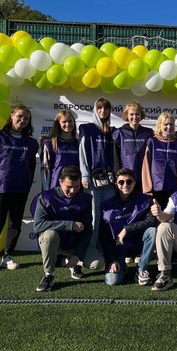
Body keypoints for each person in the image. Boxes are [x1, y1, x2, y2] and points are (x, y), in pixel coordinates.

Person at [0, 104, 39, 274]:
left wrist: (26, 182)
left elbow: (31, 166)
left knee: (15, 223)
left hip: (20, 187)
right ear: (11, 116)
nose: (22, 120)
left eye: (26, 118)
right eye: (20, 116)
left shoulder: (31, 143)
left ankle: (7, 256)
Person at [33, 165, 92, 291]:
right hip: (55, 243)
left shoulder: (85, 198)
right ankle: (49, 275)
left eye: (76, 186)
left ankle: (68, 261)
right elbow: (38, 225)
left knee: (97, 263)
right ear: (60, 181)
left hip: (74, 244)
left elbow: (87, 231)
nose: (72, 190)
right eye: (69, 187)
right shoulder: (46, 197)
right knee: (49, 235)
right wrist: (69, 225)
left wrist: (77, 254)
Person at [99, 168, 159, 286]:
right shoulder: (106, 205)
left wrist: (127, 229)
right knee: (112, 281)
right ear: (116, 184)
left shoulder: (145, 200)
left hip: (138, 243)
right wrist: (112, 259)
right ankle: (121, 265)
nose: (125, 185)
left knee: (152, 231)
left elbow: (152, 221)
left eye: (129, 182)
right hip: (118, 249)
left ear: (134, 183)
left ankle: (142, 270)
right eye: (121, 182)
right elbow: (104, 236)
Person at [78, 97, 119, 268]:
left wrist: (114, 176)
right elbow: (83, 154)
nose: (103, 111)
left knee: (108, 215)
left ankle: (105, 249)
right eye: (100, 108)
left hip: (108, 182)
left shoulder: (110, 131)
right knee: (94, 216)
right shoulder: (86, 129)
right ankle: (89, 250)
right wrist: (85, 176)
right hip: (92, 182)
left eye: (106, 108)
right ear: (95, 109)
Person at [141, 112, 177, 208]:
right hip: (156, 189)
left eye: (171, 124)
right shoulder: (152, 142)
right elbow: (146, 166)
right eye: (165, 124)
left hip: (175, 188)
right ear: (160, 125)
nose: (168, 127)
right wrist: (148, 189)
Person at [112, 100, 153, 190]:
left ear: (141, 115)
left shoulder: (148, 133)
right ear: (127, 115)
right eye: (131, 114)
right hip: (126, 179)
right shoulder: (119, 133)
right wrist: (118, 176)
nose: (135, 117)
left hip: (144, 177)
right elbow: (115, 157)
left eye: (137, 114)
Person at [41, 109, 79, 191]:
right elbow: (45, 169)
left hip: (75, 189)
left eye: (70, 121)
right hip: (55, 187)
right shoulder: (50, 143)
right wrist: (46, 190)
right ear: (58, 124)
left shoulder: (79, 144)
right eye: (64, 122)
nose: (67, 124)